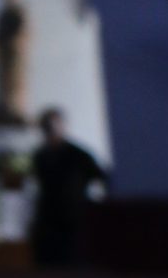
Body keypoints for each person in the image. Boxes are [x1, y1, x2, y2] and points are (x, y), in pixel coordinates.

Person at [30, 107, 109, 267]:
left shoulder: (78, 155)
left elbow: (102, 178)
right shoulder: (40, 156)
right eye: (46, 127)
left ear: (63, 126)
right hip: (48, 220)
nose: (50, 131)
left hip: (74, 220)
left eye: (53, 126)